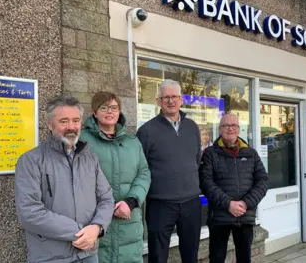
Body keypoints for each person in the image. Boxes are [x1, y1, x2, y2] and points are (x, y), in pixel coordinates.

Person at [14, 94, 115, 263]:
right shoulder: (31, 160)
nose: (71, 126)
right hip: (51, 256)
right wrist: (79, 231)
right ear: (49, 124)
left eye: (76, 120)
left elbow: (106, 198)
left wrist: (97, 227)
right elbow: (29, 212)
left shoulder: (89, 159)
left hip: (88, 254)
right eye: (63, 121)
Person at [80, 91, 151, 263]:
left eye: (114, 107)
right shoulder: (81, 140)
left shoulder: (132, 142)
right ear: (95, 112)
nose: (109, 112)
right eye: (103, 107)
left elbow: (144, 173)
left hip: (129, 218)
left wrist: (132, 201)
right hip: (95, 219)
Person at [136, 79, 202, 263]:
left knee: (191, 254)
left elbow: (197, 159)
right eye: (166, 97)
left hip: (191, 202)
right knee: (157, 256)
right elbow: (141, 167)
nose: (170, 101)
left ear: (181, 99)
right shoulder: (146, 131)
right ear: (158, 101)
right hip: (160, 204)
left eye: (174, 97)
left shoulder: (192, 127)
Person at [199, 113, 268, 263]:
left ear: (239, 129)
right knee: (217, 258)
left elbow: (263, 180)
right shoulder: (210, 154)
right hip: (219, 217)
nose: (230, 129)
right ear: (220, 129)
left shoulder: (251, 153)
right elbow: (206, 183)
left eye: (234, 125)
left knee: (244, 258)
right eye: (226, 125)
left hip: (245, 215)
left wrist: (246, 203)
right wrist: (228, 204)